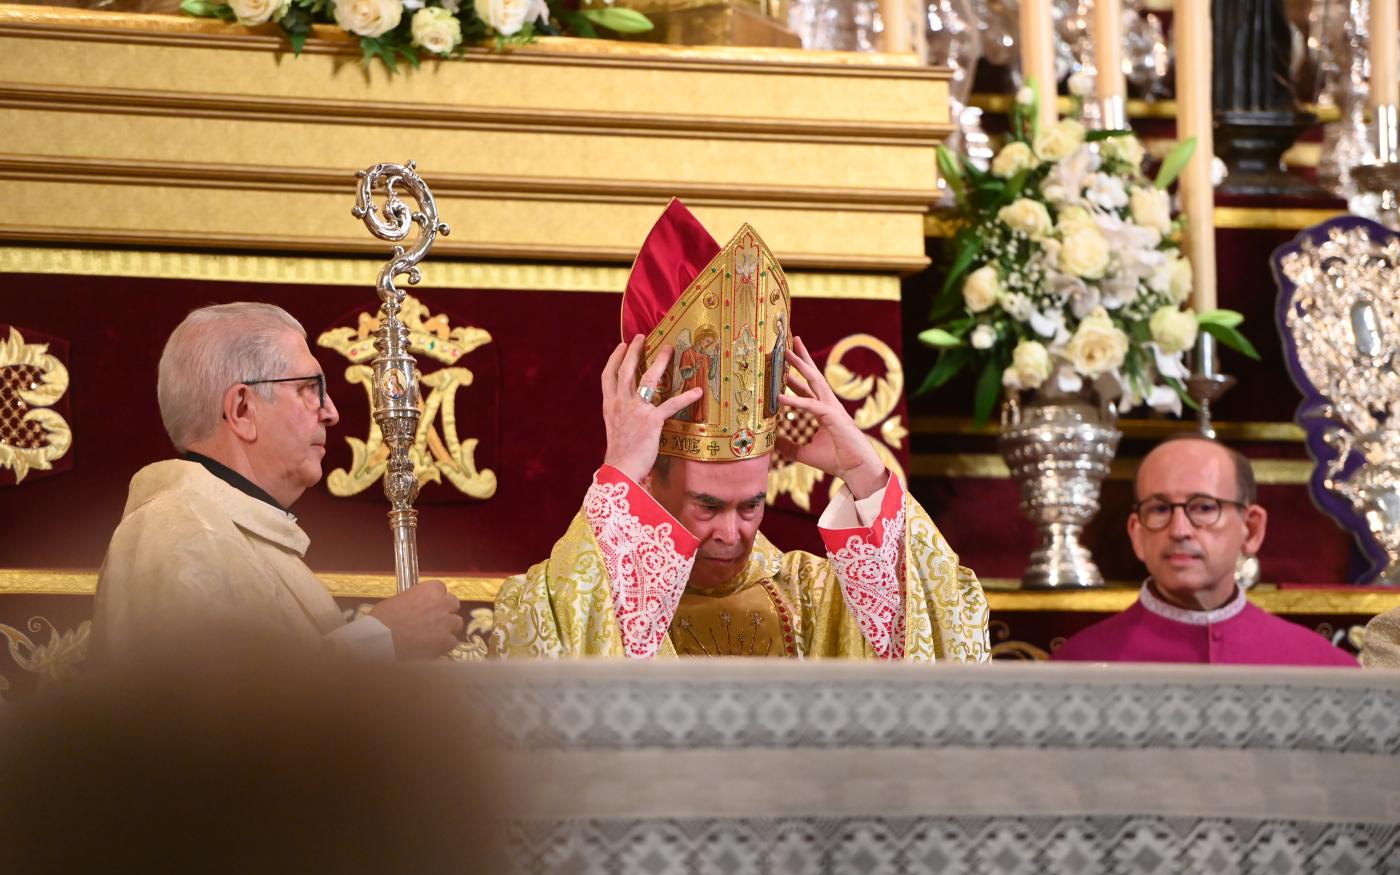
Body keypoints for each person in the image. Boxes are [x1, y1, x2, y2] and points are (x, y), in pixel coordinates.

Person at [492, 200, 989, 660]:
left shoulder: (810, 598)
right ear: (650, 483)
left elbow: (951, 634)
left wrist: (864, 472)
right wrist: (618, 473)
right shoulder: (555, 597)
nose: (732, 535)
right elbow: (549, 657)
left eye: (751, 505)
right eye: (708, 505)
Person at [94, 302, 463, 662]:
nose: (331, 412)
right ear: (242, 409)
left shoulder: (230, 531)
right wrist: (382, 640)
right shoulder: (179, 533)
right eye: (308, 388)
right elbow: (208, 709)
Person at [1052, 436, 1357, 666]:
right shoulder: (1082, 664)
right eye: (1160, 509)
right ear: (1137, 534)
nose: (1179, 530)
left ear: (1250, 530)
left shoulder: (1320, 668)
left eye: (1204, 507)